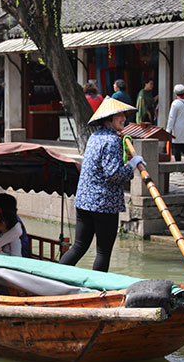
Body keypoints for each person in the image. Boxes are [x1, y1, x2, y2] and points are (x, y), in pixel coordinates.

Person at [59, 97, 144, 272]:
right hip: (103, 204)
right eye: (120, 115)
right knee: (103, 252)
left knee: (79, 246)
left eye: (124, 115)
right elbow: (113, 174)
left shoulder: (95, 137)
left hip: (84, 201)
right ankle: (98, 291)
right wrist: (132, 166)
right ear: (109, 119)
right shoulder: (112, 140)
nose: (124, 119)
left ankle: (53, 277)